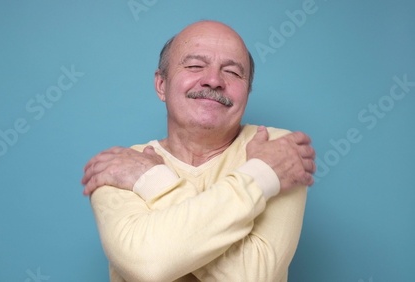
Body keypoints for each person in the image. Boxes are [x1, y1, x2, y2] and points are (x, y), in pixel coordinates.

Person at [82, 20, 316, 282]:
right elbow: (147, 266)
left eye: (233, 72)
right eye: (195, 66)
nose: (214, 80)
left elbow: (252, 276)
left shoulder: (276, 149)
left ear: (247, 91)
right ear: (161, 85)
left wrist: (153, 180)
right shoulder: (118, 166)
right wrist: (260, 177)